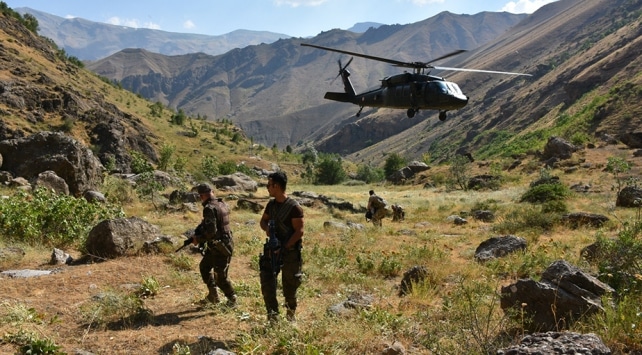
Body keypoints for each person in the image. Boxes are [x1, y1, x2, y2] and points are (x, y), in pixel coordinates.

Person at [259, 171, 304, 322]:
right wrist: (268, 231)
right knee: (267, 284)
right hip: (272, 251)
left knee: (289, 287)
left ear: (276, 186)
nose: (267, 188)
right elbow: (263, 221)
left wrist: (283, 247)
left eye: (269, 185)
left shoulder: (293, 207)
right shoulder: (271, 205)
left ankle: (290, 317)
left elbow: (299, 231)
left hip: (289, 252)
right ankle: (273, 318)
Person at [186, 183, 237, 307]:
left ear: (202, 195)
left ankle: (232, 299)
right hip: (220, 244)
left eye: (200, 196)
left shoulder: (209, 208)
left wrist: (198, 239)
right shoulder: (221, 203)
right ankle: (213, 295)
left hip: (220, 247)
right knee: (204, 267)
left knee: (220, 276)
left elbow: (211, 232)